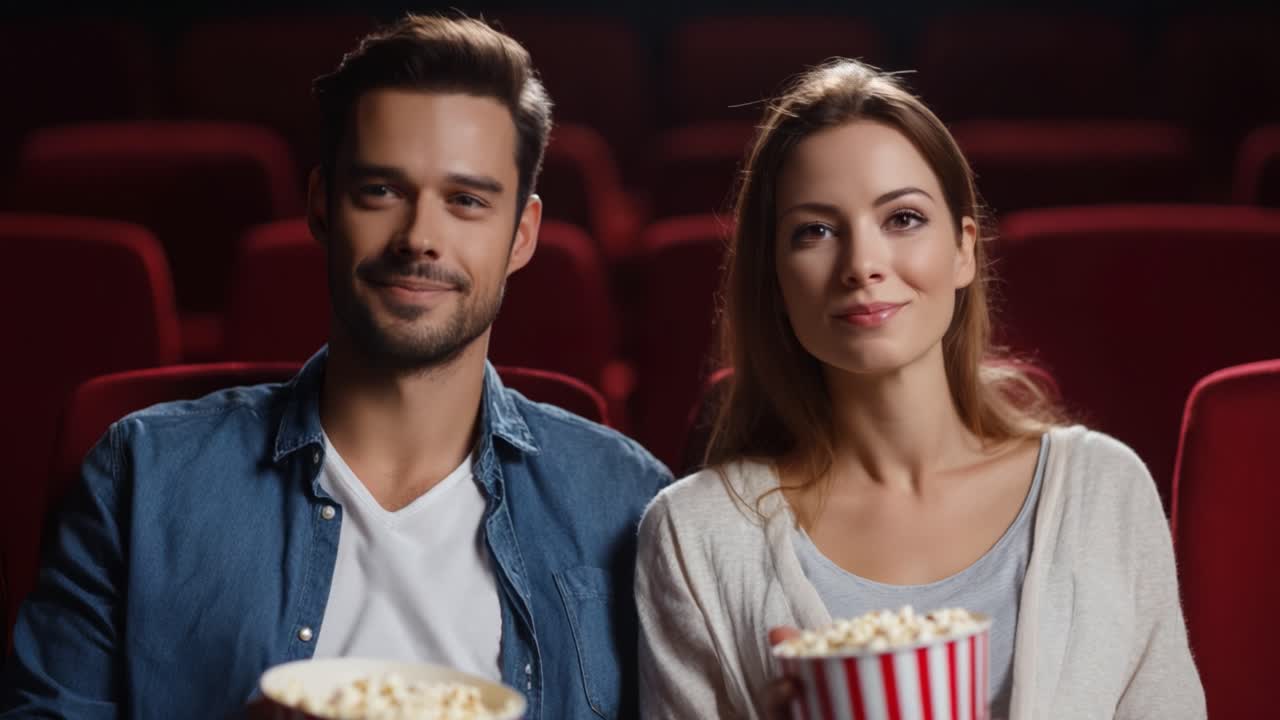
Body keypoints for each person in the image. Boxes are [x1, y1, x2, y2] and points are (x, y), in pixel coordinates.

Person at [1, 15, 670, 720]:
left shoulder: (629, 503)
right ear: (322, 205)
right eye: (380, 191)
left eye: (466, 201)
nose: (419, 238)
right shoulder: (143, 477)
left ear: (522, 234)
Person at [634, 59, 1204, 720]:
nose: (863, 265)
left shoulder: (1104, 492)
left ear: (964, 250)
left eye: (902, 219)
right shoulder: (692, 535)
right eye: (814, 231)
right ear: (774, 279)